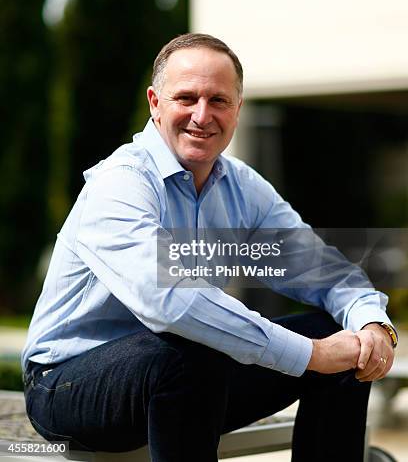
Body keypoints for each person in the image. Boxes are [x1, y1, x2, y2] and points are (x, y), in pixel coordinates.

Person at [22, 33, 398, 462]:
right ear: (154, 103)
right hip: (67, 387)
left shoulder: (243, 188)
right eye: (186, 98)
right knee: (191, 346)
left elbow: (324, 272)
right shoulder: (122, 182)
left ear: (237, 109)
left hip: (187, 377)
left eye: (218, 100)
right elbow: (171, 304)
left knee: (343, 338)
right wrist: (311, 354)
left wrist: (371, 326)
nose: (202, 115)